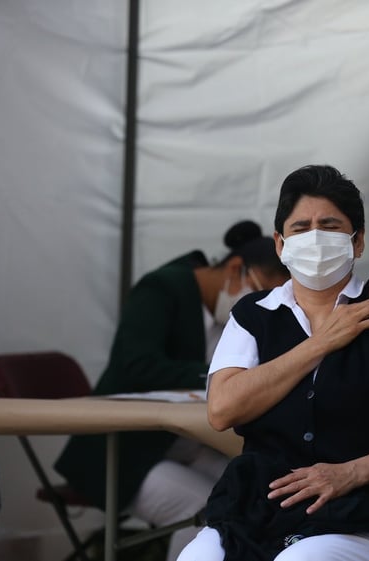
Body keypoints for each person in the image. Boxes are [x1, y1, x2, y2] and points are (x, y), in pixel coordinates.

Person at [177, 165, 369, 561]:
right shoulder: (254, 315)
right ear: (279, 244)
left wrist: (350, 473)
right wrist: (320, 344)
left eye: (329, 226)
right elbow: (222, 410)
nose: (314, 238)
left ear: (358, 241)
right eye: (300, 228)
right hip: (258, 516)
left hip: (368, 521)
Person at [54, 220, 290, 561]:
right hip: (126, 452)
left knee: (254, 491)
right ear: (236, 269)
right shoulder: (163, 289)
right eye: (262, 295)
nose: (262, 309)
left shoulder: (231, 320)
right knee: (203, 509)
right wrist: (220, 378)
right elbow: (137, 364)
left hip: (185, 445)